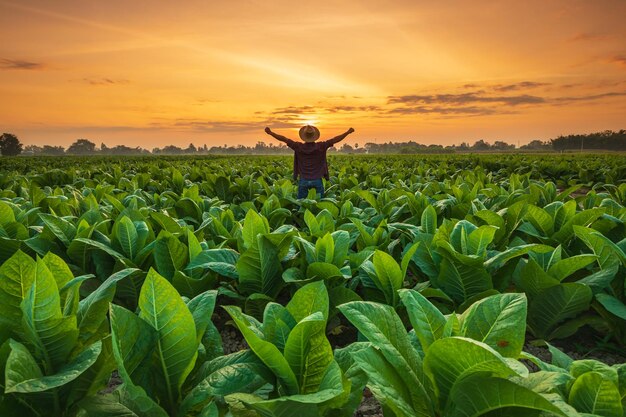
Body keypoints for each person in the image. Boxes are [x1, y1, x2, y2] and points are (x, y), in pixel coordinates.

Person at [265, 125, 355, 198]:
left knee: (301, 205)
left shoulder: (298, 146)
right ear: (314, 136)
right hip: (317, 180)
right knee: (320, 205)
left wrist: (271, 133)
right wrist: (347, 132)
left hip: (304, 180)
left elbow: (284, 139)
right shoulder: (321, 146)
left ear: (304, 137)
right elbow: (335, 139)